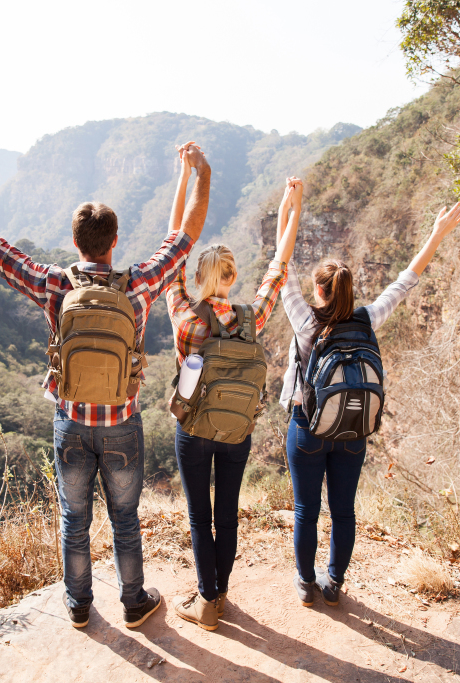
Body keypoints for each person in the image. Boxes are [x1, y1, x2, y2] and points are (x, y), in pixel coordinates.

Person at [0, 141, 212, 630]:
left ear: (76, 243)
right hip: (121, 422)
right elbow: (186, 236)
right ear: (115, 241)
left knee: (75, 521)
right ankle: (134, 602)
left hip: (71, 423)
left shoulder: (55, 285)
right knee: (125, 519)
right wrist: (202, 173)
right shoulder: (138, 285)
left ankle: (78, 606)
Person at [280, 198, 460, 607]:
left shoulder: (305, 319)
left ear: (319, 289)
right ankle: (334, 584)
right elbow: (406, 279)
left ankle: (306, 583)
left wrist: (289, 207)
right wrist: (437, 232)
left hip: (308, 427)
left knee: (306, 509)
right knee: (343, 511)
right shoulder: (368, 318)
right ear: (349, 289)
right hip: (353, 431)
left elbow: (281, 266)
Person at [162, 172, 303, 631]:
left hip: (195, 431)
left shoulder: (186, 318)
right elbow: (278, 269)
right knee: (227, 514)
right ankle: (219, 593)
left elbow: (169, 249)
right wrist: (290, 208)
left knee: (200, 517)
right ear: (232, 277)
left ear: (198, 277)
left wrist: (184, 178)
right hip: (238, 432)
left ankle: (206, 603)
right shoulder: (250, 318)